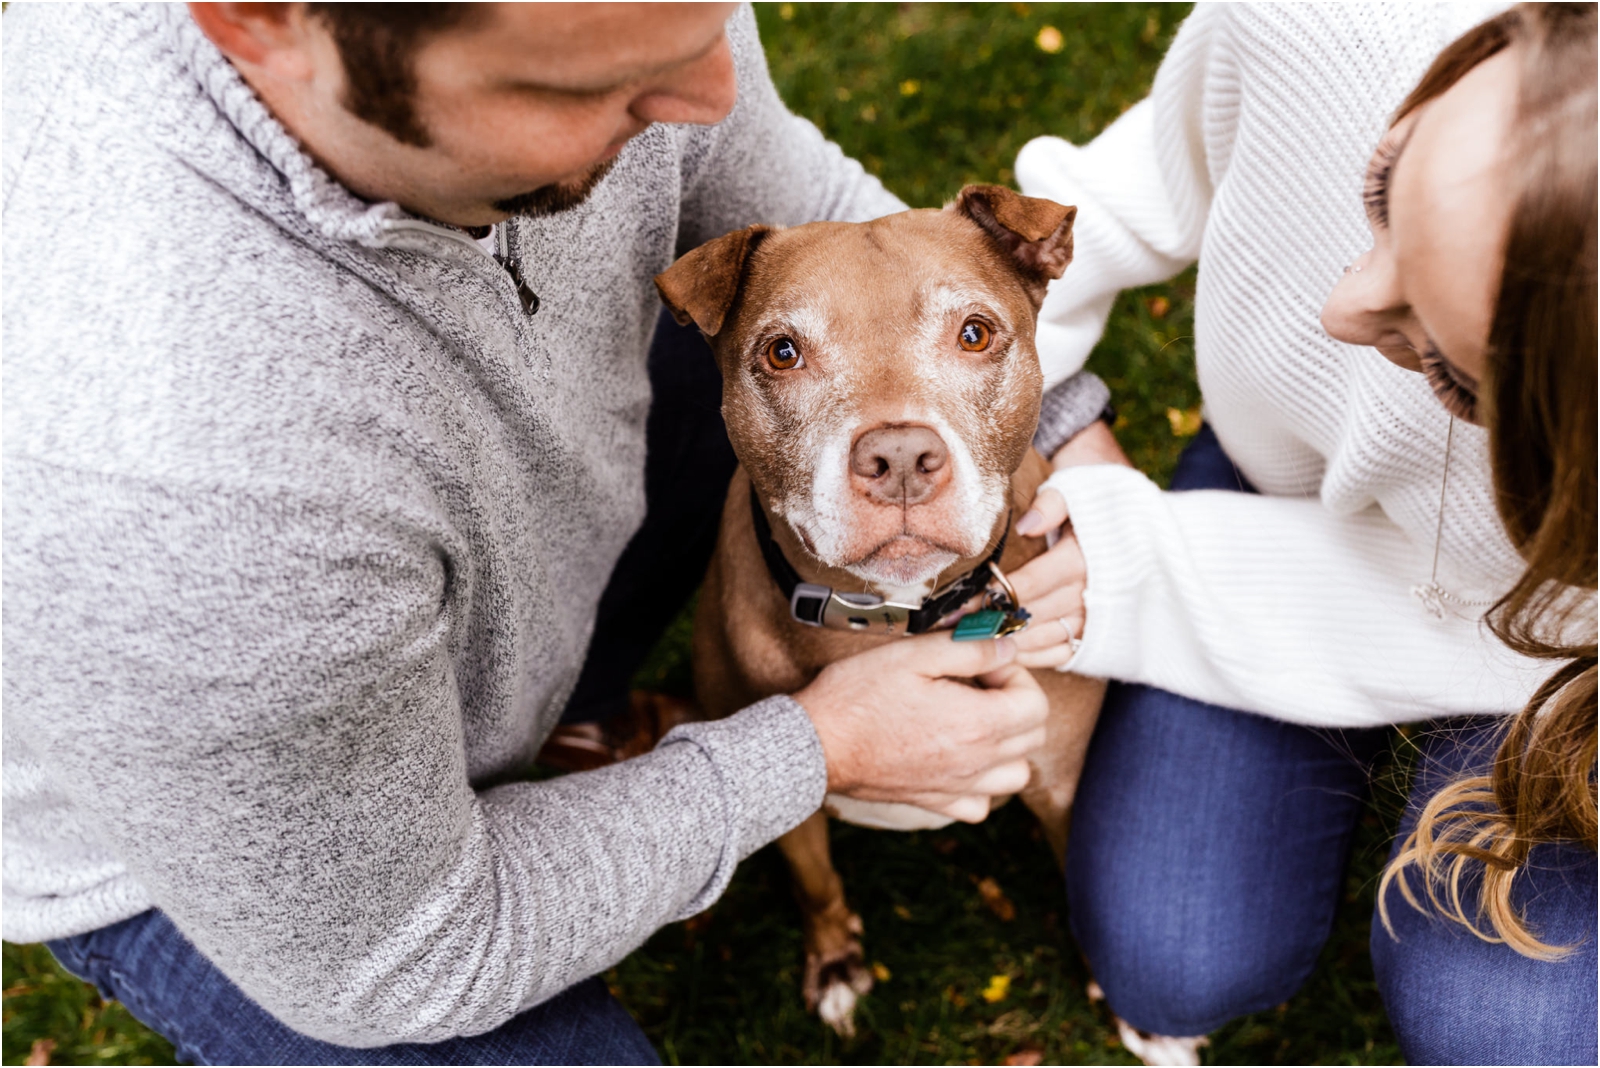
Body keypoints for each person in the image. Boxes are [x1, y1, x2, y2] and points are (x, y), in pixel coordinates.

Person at [2, 4, 1100, 1062]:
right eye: (586, 81)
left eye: (705, 21)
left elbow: (799, 208)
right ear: (261, 24)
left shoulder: (641, 46)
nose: (708, 96)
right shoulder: (169, 473)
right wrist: (815, 747)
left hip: (515, 531)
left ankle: (571, 712)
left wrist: (1075, 444)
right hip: (280, 877)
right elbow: (407, 951)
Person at [1009, 3, 1596, 1064]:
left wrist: (1157, 574)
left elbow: (1490, 621)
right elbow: (1117, 187)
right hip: (1287, 486)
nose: (1340, 307)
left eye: (1445, 369)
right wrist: (1051, 410)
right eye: (1383, 188)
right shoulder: (1314, 19)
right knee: (1173, 953)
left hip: (1559, 664)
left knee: (1503, 1029)